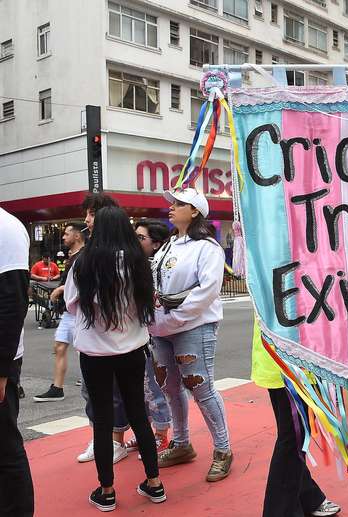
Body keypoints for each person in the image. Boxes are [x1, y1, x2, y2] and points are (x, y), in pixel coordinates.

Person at [66, 206, 166, 511]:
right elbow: (149, 303)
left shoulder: (84, 263)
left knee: (102, 420)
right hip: (133, 349)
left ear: (99, 230)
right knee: (138, 413)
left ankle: (107, 490)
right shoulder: (138, 262)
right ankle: (154, 483)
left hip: (95, 353)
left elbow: (72, 304)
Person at [150, 188, 233, 482]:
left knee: (202, 388)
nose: (171, 208)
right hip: (160, 328)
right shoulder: (169, 246)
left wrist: (175, 317)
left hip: (192, 327)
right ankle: (182, 443)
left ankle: (223, 450)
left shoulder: (208, 248)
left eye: (178, 204)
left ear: (195, 211)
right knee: (169, 387)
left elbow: (207, 291)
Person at [251, 320, 342, 517]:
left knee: (295, 435)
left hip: (281, 354)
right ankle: (281, 511)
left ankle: (308, 494)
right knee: (293, 438)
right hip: (296, 359)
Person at [74, 193, 132, 464]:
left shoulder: (119, 254)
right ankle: (102, 438)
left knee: (117, 394)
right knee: (93, 392)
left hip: (117, 341)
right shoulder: (88, 253)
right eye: (87, 214)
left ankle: (115, 441)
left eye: (92, 214)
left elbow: (78, 303)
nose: (87, 220)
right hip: (93, 340)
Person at [127, 220, 174, 455]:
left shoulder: (159, 268)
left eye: (141, 238)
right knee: (137, 389)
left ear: (156, 244)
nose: (135, 242)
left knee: (153, 387)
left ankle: (161, 435)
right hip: (135, 335)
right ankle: (143, 433)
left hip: (153, 335)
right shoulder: (135, 265)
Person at [0, 207, 35, 517]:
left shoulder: (6, 228)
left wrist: (1, 369)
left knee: (4, 446)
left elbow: (13, 303)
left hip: (2, 359)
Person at [34, 221, 86, 402]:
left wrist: (62, 288)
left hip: (80, 311)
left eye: (66, 233)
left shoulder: (85, 256)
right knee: (60, 346)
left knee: (85, 351)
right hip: (68, 312)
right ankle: (57, 388)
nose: (63, 237)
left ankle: (89, 381)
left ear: (77, 235)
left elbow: (84, 282)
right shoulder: (71, 256)